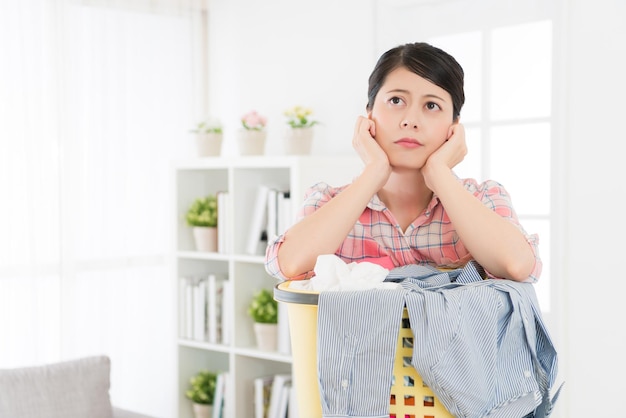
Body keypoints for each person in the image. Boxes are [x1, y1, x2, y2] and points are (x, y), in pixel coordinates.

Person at [265, 42, 541, 283]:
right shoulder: (326, 201)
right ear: (369, 113)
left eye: (431, 106)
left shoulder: (485, 198)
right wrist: (374, 172)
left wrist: (439, 174)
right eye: (396, 100)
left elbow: (518, 266)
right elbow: (288, 264)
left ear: (454, 127)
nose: (410, 120)